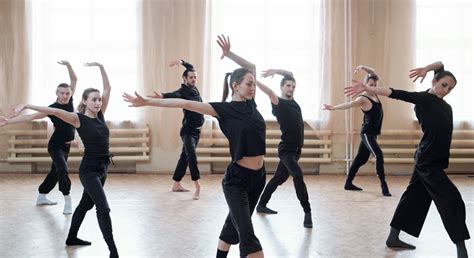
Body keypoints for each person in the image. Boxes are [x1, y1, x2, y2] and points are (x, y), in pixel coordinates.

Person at [123, 35, 265, 258]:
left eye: (254, 85)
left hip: (259, 178)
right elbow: (185, 103)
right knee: (247, 236)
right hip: (237, 180)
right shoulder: (223, 109)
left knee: (233, 227)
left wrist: (229, 54)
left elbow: (251, 66)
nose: (253, 88)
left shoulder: (252, 104)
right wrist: (149, 102)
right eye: (249, 84)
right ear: (235, 86)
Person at [344, 61, 469, 258]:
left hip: (431, 160)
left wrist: (426, 69)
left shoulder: (442, 102)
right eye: (444, 85)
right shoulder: (424, 99)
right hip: (427, 161)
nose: (446, 90)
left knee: (413, 198)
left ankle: (393, 238)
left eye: (450, 89)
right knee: (451, 199)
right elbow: (396, 92)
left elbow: (441, 64)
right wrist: (368, 88)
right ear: (435, 82)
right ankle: (461, 249)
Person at [10, 62, 119, 257]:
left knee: (86, 204)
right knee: (103, 208)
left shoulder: (100, 116)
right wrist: (26, 105)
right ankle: (113, 252)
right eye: (93, 100)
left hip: (103, 168)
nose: (98, 103)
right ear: (85, 101)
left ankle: (71, 237)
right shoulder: (77, 118)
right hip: (89, 170)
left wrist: (101, 66)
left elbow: (108, 88)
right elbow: (52, 111)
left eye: (99, 100)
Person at [0, 60, 78, 214]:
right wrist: (8, 121)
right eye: (62, 93)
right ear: (56, 93)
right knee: (62, 168)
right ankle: (67, 199)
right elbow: (31, 117)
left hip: (66, 146)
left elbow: (74, 80)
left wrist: (69, 65)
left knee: (55, 172)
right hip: (55, 145)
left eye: (67, 93)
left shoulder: (70, 101)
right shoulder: (51, 109)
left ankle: (42, 195)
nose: (65, 95)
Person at [253, 69, 313, 228]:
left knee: (279, 178)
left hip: (296, 151)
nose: (291, 88)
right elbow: (269, 92)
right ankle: (307, 212)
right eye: (288, 86)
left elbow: (290, 72)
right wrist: (254, 79)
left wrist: (276, 71)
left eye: (293, 86)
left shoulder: (294, 103)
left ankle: (261, 204)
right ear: (282, 88)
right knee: (297, 175)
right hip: (286, 150)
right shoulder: (279, 104)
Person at [324, 65, 391, 196]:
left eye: (374, 85)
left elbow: (373, 72)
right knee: (378, 155)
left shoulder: (375, 93)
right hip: (367, 134)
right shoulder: (363, 98)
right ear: (365, 84)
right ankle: (384, 186)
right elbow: (349, 105)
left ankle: (348, 183)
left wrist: (362, 67)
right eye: (370, 84)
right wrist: (334, 108)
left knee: (361, 159)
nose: (372, 87)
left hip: (373, 134)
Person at [147, 59, 204, 200]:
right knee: (191, 156)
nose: (194, 79)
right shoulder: (183, 91)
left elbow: (190, 66)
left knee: (184, 157)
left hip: (197, 131)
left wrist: (181, 61)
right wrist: (162, 96)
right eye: (191, 77)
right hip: (188, 131)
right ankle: (197, 185)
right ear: (185, 79)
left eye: (195, 77)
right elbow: (174, 95)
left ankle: (176, 184)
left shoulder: (194, 88)